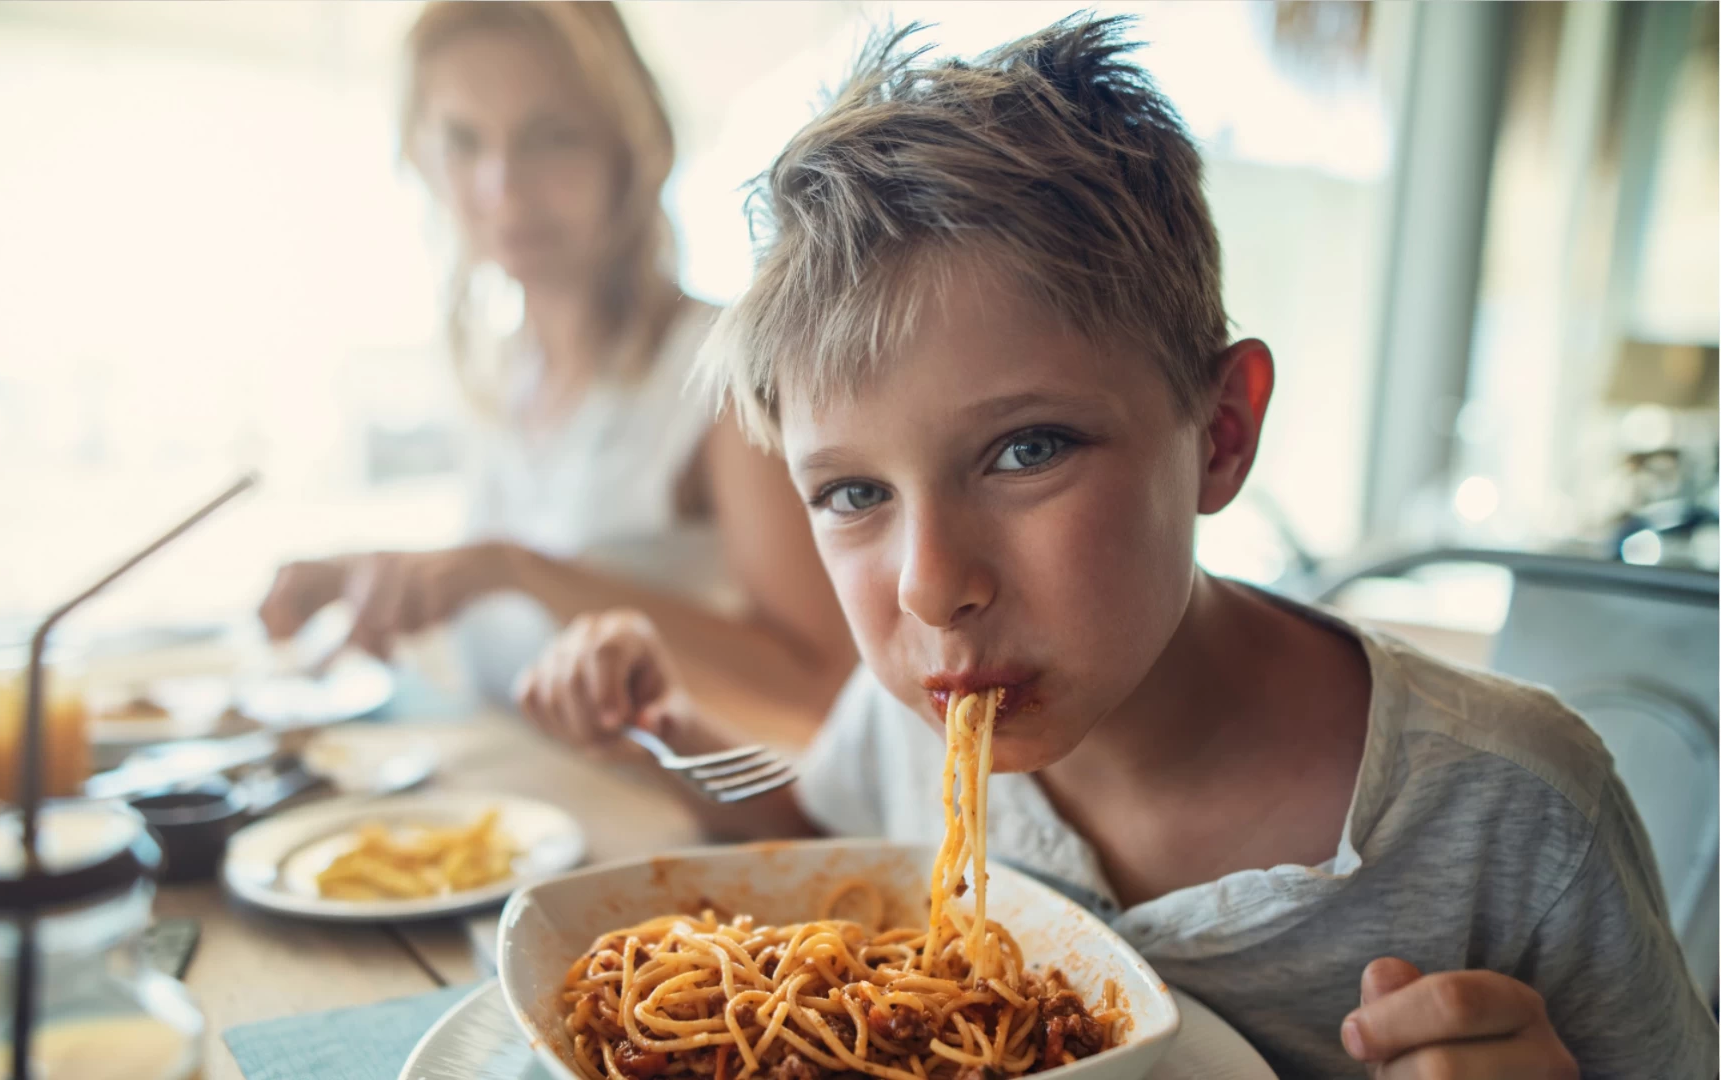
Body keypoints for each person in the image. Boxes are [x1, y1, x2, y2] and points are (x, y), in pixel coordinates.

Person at [509, 16, 1717, 1079]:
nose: (934, 587)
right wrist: (672, 728)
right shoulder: (928, 715)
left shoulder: (1514, 818)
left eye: (1027, 451)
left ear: (1221, 433)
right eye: (855, 492)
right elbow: (821, 855)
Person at [259, 2, 853, 731]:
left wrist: (513, 570)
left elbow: (819, 685)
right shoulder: (506, 375)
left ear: (629, 150)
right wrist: (366, 574)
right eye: (463, 141)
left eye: (552, 138)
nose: (502, 186)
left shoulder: (723, 374)